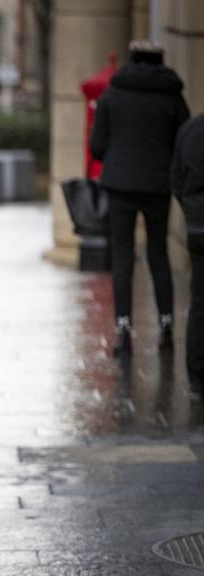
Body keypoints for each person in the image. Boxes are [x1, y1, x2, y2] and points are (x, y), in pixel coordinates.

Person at [90, 40, 190, 355]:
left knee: (122, 257)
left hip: (120, 185)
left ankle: (123, 330)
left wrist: (118, 160)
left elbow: (97, 146)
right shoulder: (173, 98)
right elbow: (184, 142)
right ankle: (166, 325)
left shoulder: (112, 95)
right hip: (158, 185)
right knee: (158, 254)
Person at [171, 113, 204, 395]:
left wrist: (192, 212)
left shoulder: (191, 128)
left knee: (199, 303)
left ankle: (197, 378)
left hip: (198, 227)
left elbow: (176, 179)